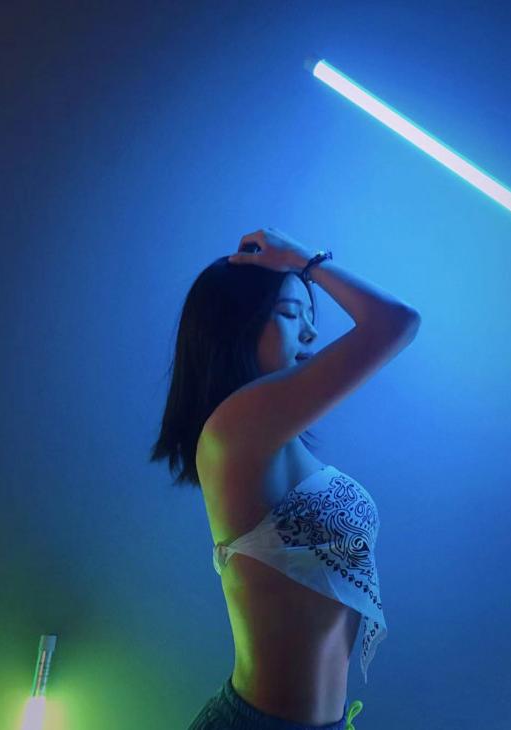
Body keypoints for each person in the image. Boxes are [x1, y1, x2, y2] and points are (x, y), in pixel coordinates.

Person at [151, 227, 421, 729]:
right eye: (293, 313)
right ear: (235, 325)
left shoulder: (272, 440)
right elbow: (396, 323)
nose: (312, 334)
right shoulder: (233, 432)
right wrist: (304, 260)